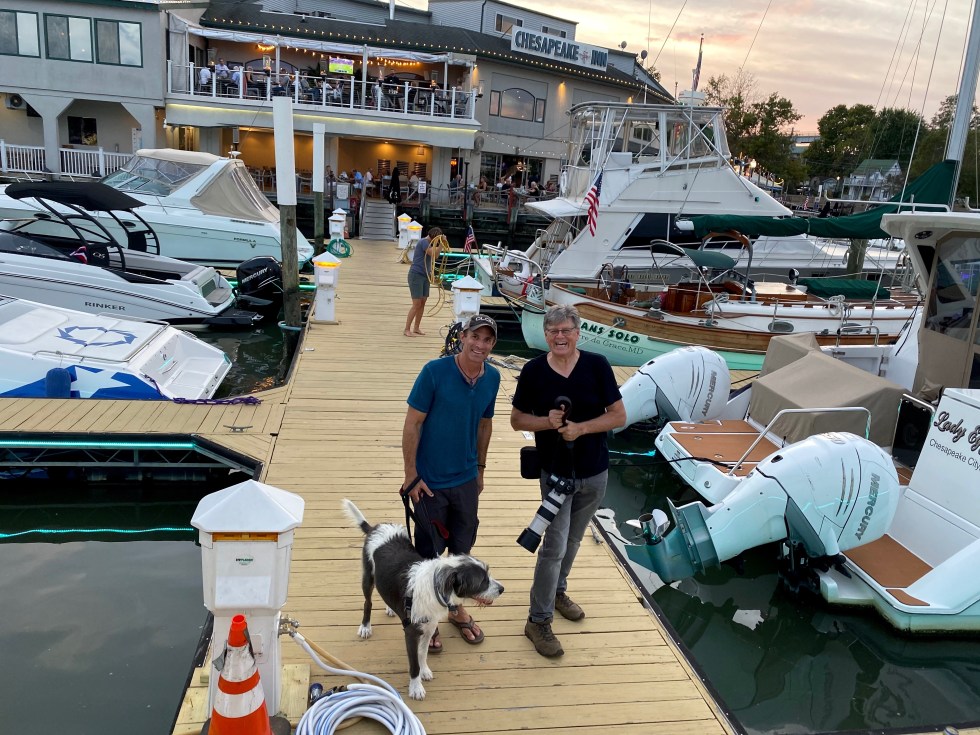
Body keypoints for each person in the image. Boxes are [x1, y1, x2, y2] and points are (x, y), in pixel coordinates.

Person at [510, 304, 626, 657]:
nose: (560, 336)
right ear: (546, 335)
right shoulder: (533, 371)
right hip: (556, 475)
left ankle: (557, 591)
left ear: (577, 333)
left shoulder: (597, 365)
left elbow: (618, 416)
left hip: (595, 473)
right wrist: (548, 423)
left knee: (574, 540)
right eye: (553, 331)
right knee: (555, 546)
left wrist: (582, 428)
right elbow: (517, 420)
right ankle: (538, 619)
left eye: (566, 330)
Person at [401, 312, 501, 650]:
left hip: (466, 478)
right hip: (429, 480)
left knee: (462, 549)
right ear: (463, 337)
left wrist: (481, 469)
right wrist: (411, 475)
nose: (480, 345)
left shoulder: (493, 378)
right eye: (475, 337)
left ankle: (455, 608)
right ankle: (426, 614)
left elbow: (485, 423)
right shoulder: (434, 371)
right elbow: (413, 423)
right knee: (428, 552)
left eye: (487, 340)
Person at [404, 225, 441, 336]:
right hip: (416, 275)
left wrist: (440, 246)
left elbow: (435, 256)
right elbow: (434, 254)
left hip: (425, 276)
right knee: (416, 304)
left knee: (423, 302)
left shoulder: (430, 244)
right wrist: (441, 245)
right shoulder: (424, 242)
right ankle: (407, 329)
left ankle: (416, 327)